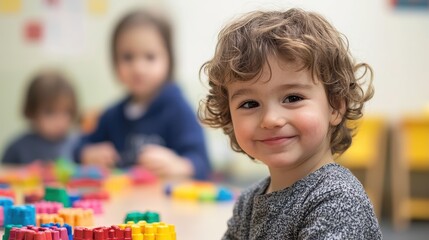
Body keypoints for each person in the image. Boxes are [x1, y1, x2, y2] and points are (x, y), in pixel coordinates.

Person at [199, 8, 382, 239]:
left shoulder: (338, 199)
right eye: (249, 104)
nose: (270, 120)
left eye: (292, 98)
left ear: (335, 106)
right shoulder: (249, 200)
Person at [74, 9, 211, 180]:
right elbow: (78, 146)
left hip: (167, 204)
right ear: (114, 61)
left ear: (169, 60)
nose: (138, 68)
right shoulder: (112, 115)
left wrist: (179, 165)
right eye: (128, 57)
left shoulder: (178, 110)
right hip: (123, 203)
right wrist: (86, 153)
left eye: (150, 57)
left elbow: (202, 162)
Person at [2, 70, 78, 165]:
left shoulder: (77, 145)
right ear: (32, 112)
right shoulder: (17, 149)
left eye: (67, 112)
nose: (60, 120)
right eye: (50, 112)